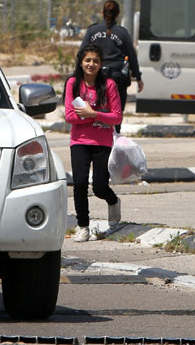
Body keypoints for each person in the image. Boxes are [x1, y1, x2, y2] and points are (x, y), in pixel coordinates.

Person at [64, 44, 123, 242]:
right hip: (79, 141)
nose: (91, 64)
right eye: (87, 60)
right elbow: (70, 116)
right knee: (79, 184)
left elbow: (116, 117)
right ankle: (83, 226)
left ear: (101, 64)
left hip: (103, 142)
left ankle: (113, 201)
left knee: (99, 187)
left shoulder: (109, 85)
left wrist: (93, 114)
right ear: (81, 62)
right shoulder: (73, 83)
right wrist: (95, 117)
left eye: (95, 61)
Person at [80, 0, 144, 134]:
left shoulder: (93, 31)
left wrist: (78, 75)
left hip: (94, 77)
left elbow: (81, 54)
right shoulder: (122, 33)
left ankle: (94, 135)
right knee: (117, 111)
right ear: (118, 14)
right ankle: (115, 136)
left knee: (93, 107)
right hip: (117, 79)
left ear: (102, 13)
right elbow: (132, 57)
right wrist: (138, 77)